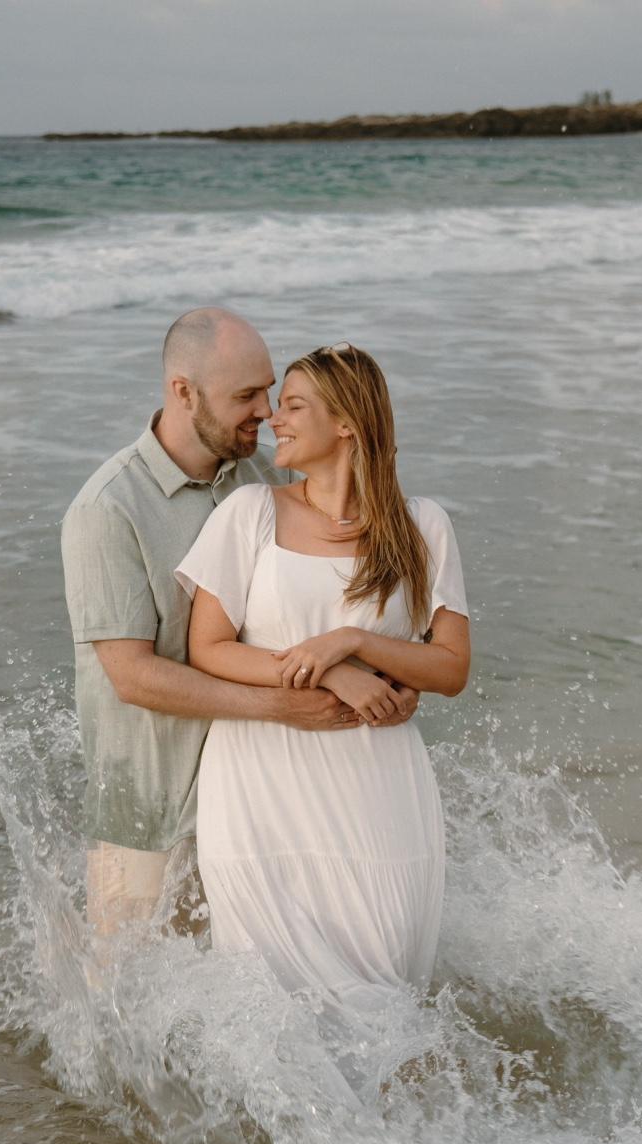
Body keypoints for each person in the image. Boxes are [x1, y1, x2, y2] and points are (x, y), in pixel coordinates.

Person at [61, 311, 419, 937]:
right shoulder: (108, 508)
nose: (266, 411)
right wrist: (286, 704)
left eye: (269, 391)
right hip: (153, 815)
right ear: (184, 392)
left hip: (267, 803)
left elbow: (326, 604)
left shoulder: (271, 477)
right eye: (246, 396)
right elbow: (134, 677)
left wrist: (391, 678)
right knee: (129, 988)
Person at [175, 343, 470, 1010]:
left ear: (346, 424)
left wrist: (355, 641)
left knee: (386, 988)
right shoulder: (250, 512)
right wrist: (332, 674)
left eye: (293, 406)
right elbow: (209, 648)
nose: (273, 418)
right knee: (268, 997)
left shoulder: (422, 527)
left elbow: (451, 668)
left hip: (377, 787)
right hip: (259, 785)